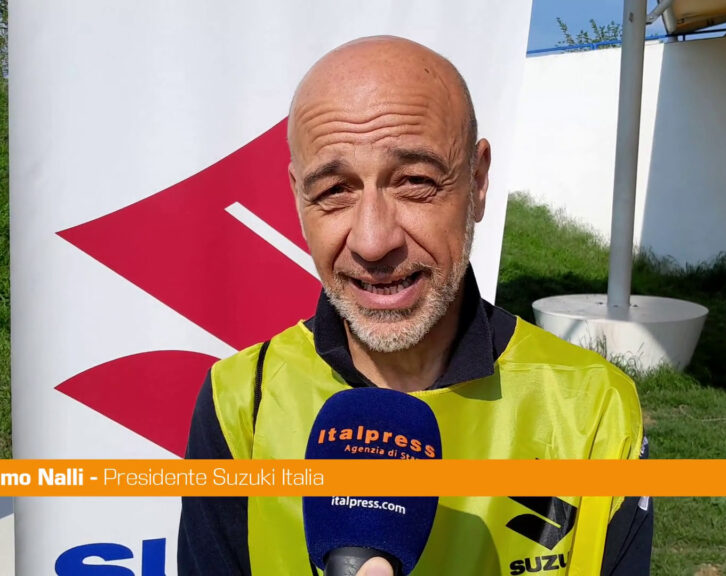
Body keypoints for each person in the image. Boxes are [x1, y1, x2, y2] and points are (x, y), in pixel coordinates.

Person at [178, 36, 652, 576]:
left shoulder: (593, 408)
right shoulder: (241, 401)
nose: (372, 241)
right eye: (334, 190)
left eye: (414, 182)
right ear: (297, 197)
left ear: (477, 181)